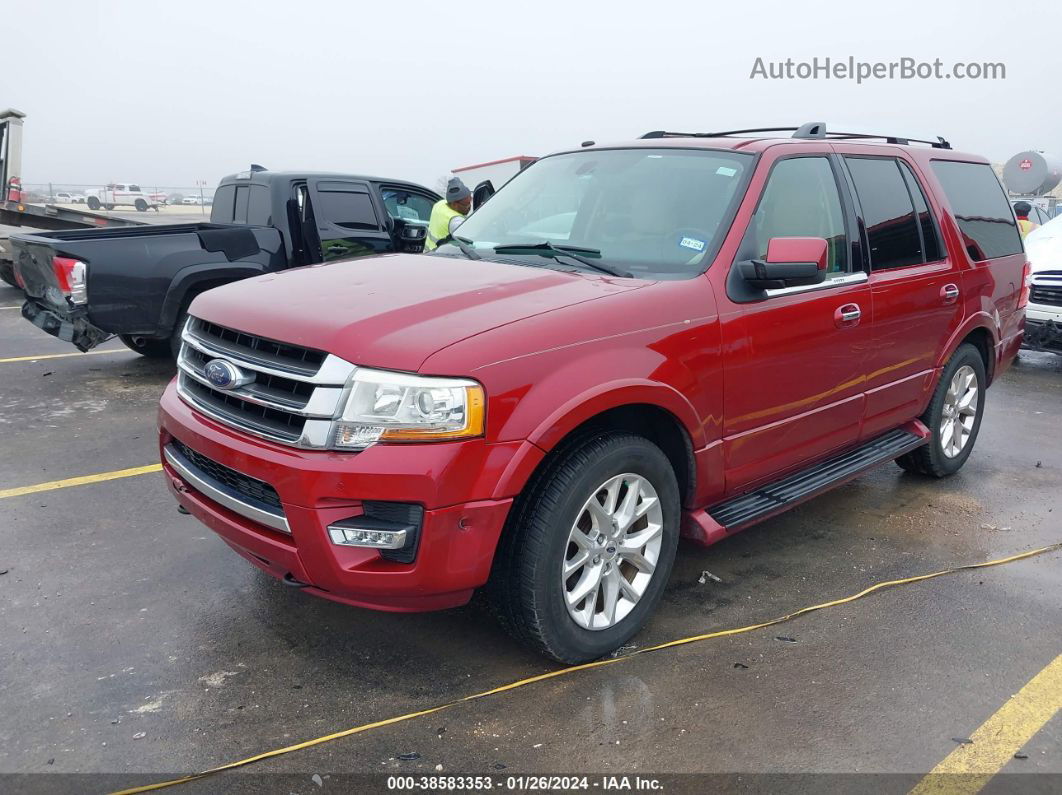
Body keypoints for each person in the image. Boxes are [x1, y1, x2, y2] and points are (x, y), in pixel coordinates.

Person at [424, 177, 473, 252]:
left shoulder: (439, 204)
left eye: (470, 201)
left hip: (428, 254)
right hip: (441, 258)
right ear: (454, 204)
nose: (469, 206)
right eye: (466, 204)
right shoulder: (456, 221)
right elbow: (471, 246)